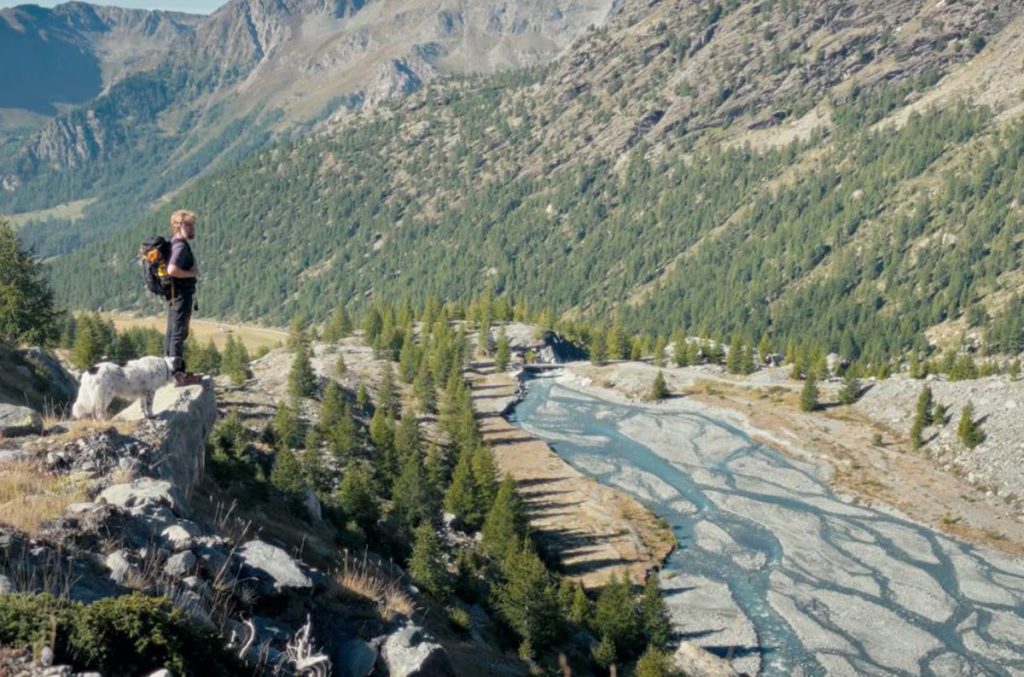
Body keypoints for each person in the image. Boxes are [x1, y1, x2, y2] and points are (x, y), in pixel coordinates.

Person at [165, 209, 201, 385]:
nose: (193, 227)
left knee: (172, 332)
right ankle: (177, 374)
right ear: (179, 226)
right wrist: (191, 273)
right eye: (189, 224)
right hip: (181, 296)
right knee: (178, 333)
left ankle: (169, 371)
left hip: (174, 296)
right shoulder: (180, 246)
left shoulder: (174, 243)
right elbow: (171, 270)